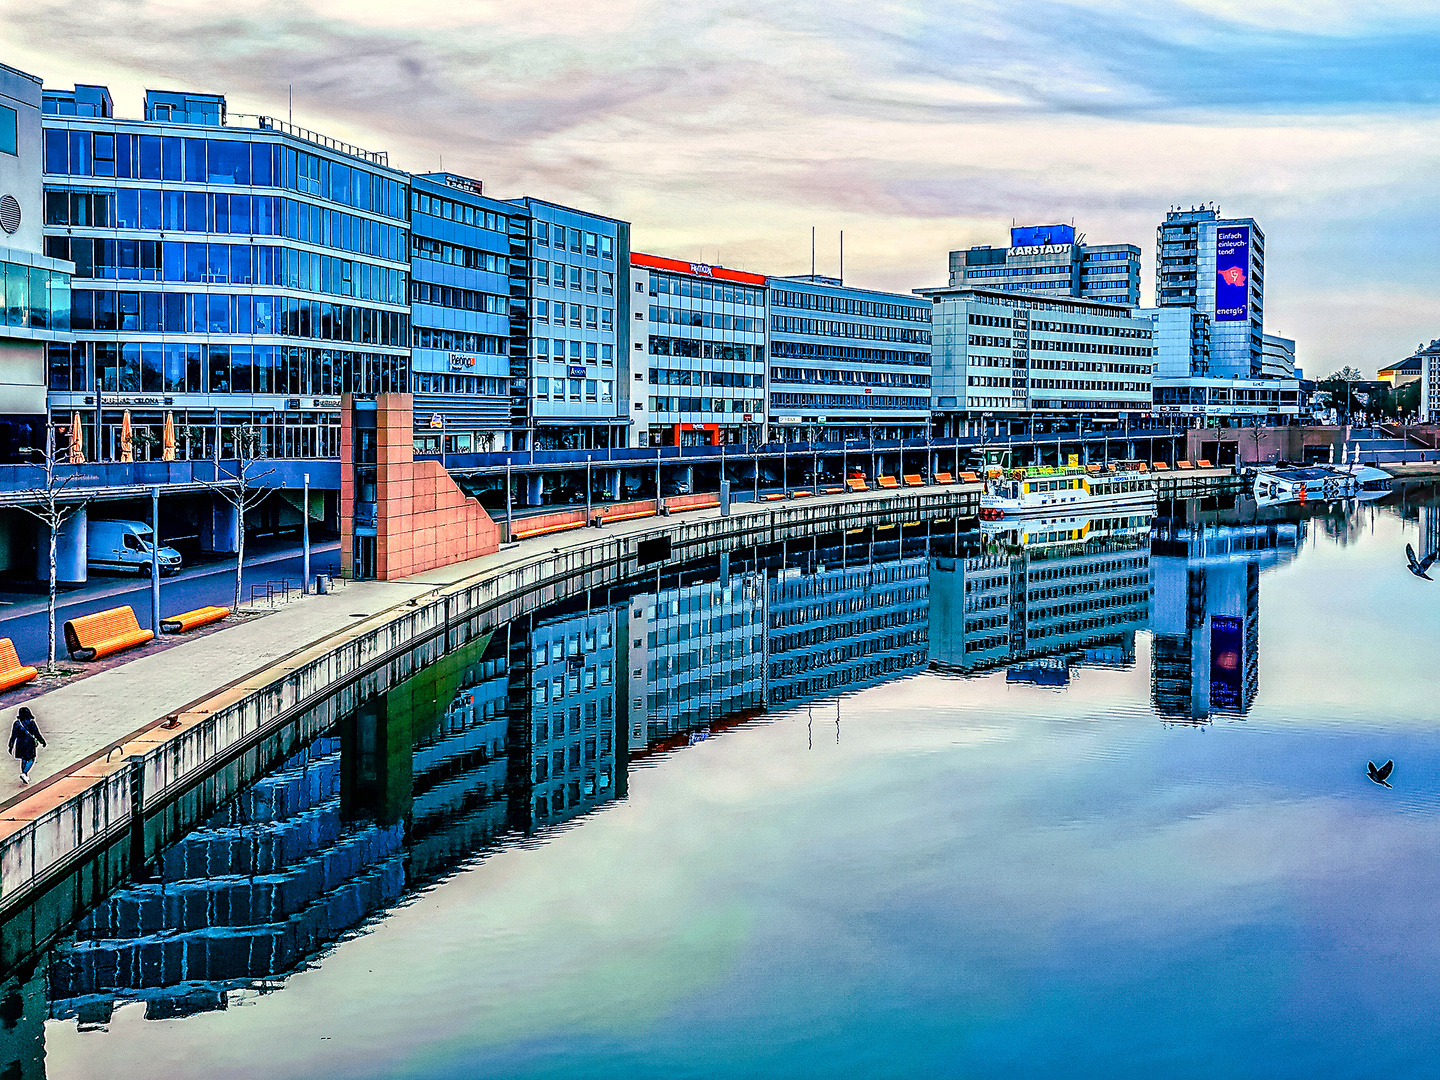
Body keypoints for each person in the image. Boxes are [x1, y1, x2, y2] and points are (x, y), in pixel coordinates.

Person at [9, 707, 46, 785]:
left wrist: (10, 746)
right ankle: (24, 773)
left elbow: (13, 736)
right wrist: (42, 741)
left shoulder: (17, 723)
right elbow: (37, 733)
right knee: (31, 759)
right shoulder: (31, 722)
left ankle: (24, 774)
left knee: (24, 759)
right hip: (29, 743)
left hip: (20, 743)